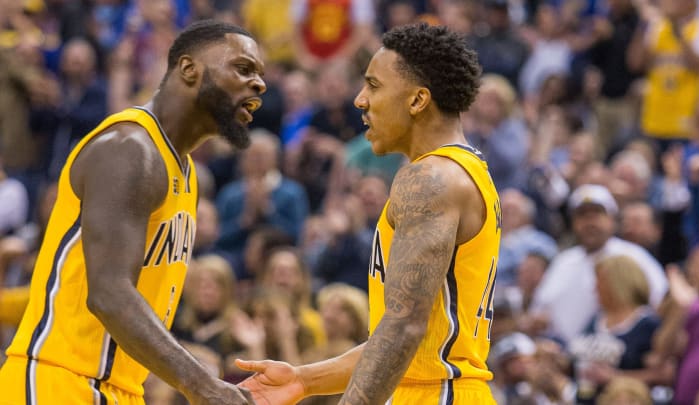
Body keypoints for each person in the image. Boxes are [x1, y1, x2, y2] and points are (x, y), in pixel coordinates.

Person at [0, 20, 266, 405]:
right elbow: (109, 293)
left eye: (260, 75)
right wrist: (202, 384)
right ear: (189, 69)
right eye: (243, 68)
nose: (259, 84)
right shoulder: (130, 149)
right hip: (60, 380)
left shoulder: (184, 170)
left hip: (118, 389)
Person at [236, 22, 501, 404]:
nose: (360, 100)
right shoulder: (461, 172)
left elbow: (403, 329)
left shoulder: (430, 177)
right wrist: (304, 380)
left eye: (374, 85)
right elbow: (408, 343)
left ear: (417, 100)